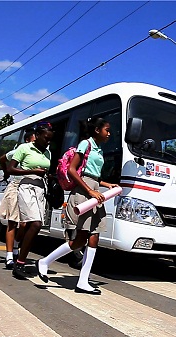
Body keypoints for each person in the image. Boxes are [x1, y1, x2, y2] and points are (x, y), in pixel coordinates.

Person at [36, 117, 119, 294]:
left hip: (95, 190)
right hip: (85, 193)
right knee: (80, 240)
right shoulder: (85, 144)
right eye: (107, 129)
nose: (109, 133)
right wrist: (90, 191)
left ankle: (83, 280)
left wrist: (105, 185)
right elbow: (73, 170)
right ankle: (45, 261)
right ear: (97, 130)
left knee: (95, 236)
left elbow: (92, 173)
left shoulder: (99, 149)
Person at [6, 122, 54, 279]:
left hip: (40, 189)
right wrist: (32, 170)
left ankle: (20, 253)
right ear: (38, 135)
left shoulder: (48, 153)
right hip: (26, 186)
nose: (48, 142)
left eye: (50, 140)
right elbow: (10, 168)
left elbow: (46, 170)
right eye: (46, 138)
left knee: (34, 225)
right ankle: (19, 263)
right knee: (36, 223)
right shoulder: (24, 148)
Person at [0, 129, 35, 269]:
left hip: (30, 188)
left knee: (25, 223)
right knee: (12, 222)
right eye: (35, 139)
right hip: (16, 186)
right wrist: (6, 172)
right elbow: (2, 158)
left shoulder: (41, 152)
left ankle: (16, 246)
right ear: (27, 140)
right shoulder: (21, 149)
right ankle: (9, 256)